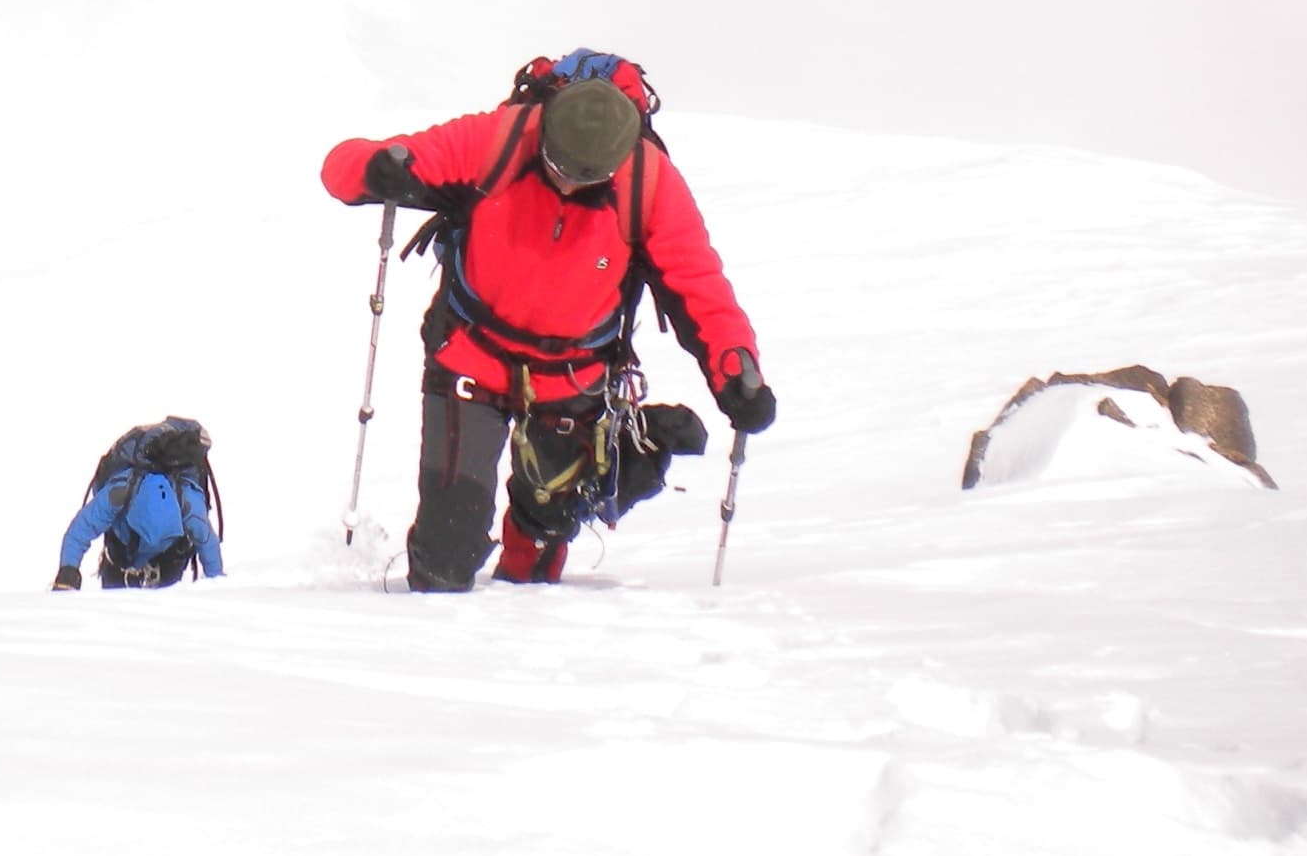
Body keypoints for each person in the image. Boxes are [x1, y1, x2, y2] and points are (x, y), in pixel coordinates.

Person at [322, 51, 774, 591]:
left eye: (584, 178)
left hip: (576, 376)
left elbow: (700, 289)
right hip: (471, 355)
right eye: (558, 168)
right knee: (446, 557)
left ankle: (523, 626)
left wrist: (735, 372)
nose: (565, 185)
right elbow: (343, 166)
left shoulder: (649, 181)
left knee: (539, 553)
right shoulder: (500, 137)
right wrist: (376, 169)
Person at [52, 417, 225, 589]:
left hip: (160, 562)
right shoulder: (120, 492)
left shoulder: (188, 503)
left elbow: (80, 530)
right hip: (125, 561)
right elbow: (81, 530)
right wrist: (68, 570)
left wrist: (68, 568)